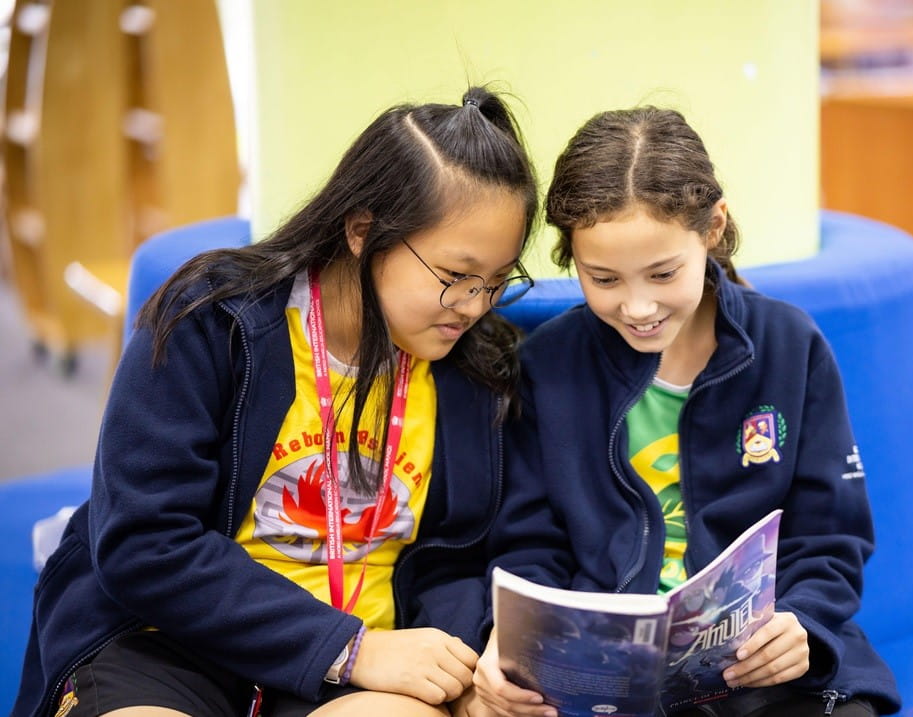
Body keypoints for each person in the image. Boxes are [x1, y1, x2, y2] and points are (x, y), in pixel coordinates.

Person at [14, 86, 541, 717]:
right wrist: (346, 646)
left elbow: (459, 560)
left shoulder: (477, 368)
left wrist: (468, 660)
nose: (476, 305)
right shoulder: (215, 320)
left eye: (498, 280)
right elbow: (145, 543)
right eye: (455, 277)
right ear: (363, 231)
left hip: (362, 669)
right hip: (171, 642)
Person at [474, 107, 902, 716]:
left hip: (758, 665)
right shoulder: (549, 365)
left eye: (663, 274)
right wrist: (517, 642)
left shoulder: (790, 346)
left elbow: (829, 537)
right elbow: (527, 545)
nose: (638, 307)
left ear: (712, 228)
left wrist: (800, 624)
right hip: (605, 672)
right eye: (604, 279)